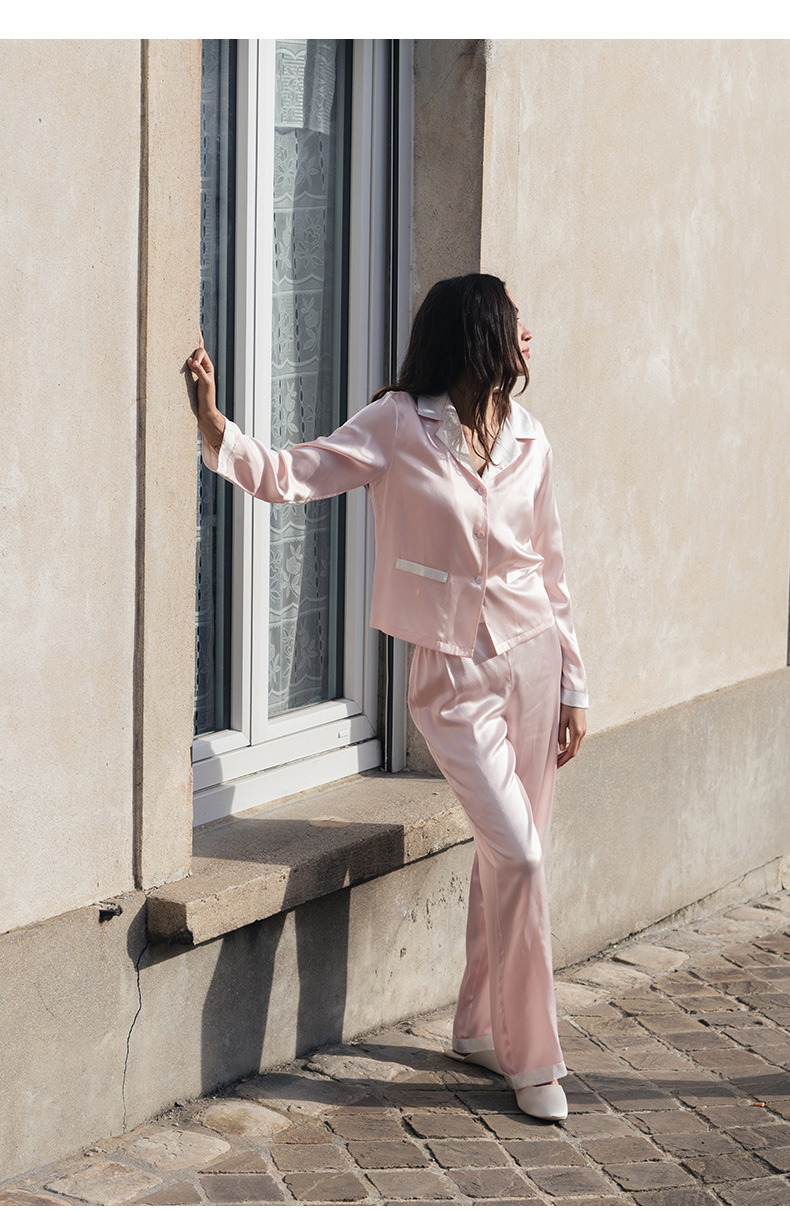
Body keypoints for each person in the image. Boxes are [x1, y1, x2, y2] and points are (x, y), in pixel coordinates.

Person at [189, 273, 588, 1122]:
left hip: (534, 660)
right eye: (515, 322)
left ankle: (478, 1027)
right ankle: (535, 1058)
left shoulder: (529, 437)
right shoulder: (399, 423)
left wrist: (574, 683)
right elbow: (296, 473)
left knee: (506, 855)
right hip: (452, 676)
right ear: (477, 333)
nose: (528, 337)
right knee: (519, 853)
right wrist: (219, 432)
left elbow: (550, 567)